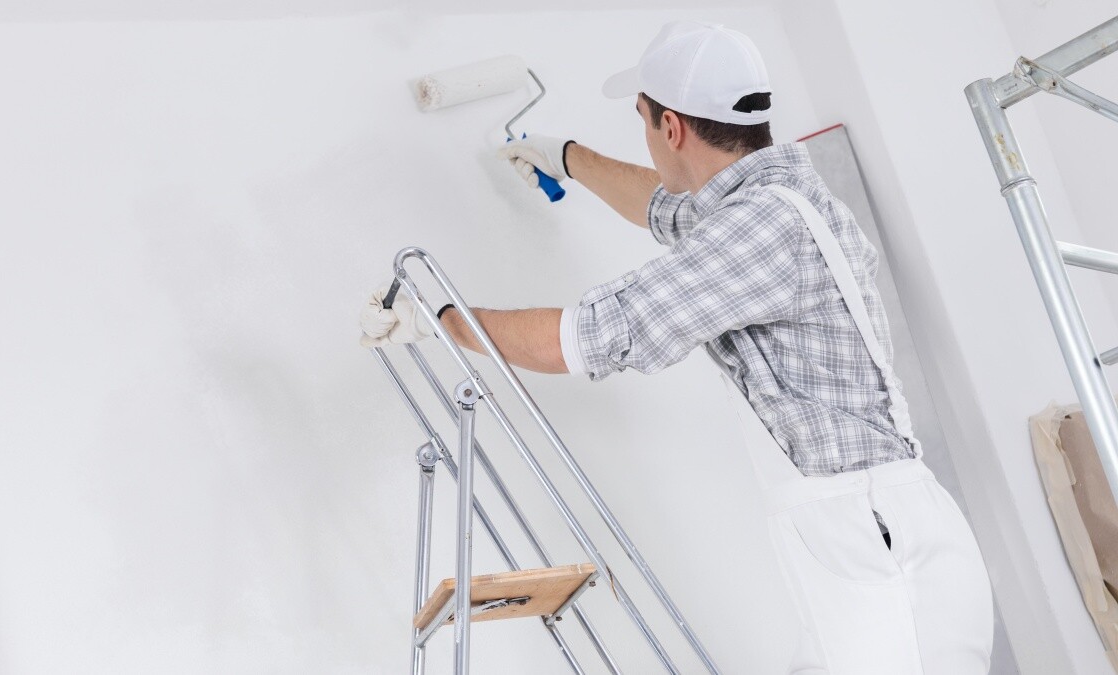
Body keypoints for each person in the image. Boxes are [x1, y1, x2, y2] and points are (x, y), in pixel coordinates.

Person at [361, 20, 994, 674]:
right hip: (865, 542)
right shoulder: (777, 199)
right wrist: (563, 156)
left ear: (672, 129)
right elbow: (665, 208)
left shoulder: (760, 228)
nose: (644, 136)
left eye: (642, 119)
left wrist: (436, 319)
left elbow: (589, 336)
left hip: (875, 551)